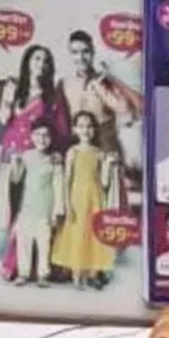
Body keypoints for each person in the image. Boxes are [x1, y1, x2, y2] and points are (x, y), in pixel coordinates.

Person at [0, 44, 71, 283]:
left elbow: (60, 129)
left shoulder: (52, 95)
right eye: (36, 58)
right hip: (12, 156)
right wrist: (7, 96)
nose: (41, 64)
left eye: (45, 60)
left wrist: (56, 154)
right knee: (12, 210)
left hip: (36, 159)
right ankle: (23, 264)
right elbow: (4, 119)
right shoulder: (16, 88)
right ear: (27, 61)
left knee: (29, 211)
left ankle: (14, 265)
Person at [50, 111, 120, 290]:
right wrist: (67, 205)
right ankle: (76, 274)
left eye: (89, 126)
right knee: (77, 234)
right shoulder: (72, 152)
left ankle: (92, 273)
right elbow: (66, 181)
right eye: (81, 126)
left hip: (95, 199)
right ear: (75, 129)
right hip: (77, 199)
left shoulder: (98, 153)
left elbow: (104, 182)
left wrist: (109, 164)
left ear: (94, 129)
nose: (85, 130)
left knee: (92, 235)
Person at [58, 30, 143, 164]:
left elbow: (125, 109)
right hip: (78, 148)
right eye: (75, 53)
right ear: (70, 55)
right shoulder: (64, 83)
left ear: (93, 52)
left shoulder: (106, 80)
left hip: (106, 146)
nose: (80, 57)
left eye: (85, 51)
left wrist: (101, 88)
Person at [7, 119, 66, 287]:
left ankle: (43, 274)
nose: (42, 138)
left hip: (45, 211)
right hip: (26, 209)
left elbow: (58, 186)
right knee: (23, 243)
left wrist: (57, 211)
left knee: (44, 245)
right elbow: (16, 178)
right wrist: (15, 162)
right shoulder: (26, 156)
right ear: (32, 136)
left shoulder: (54, 160)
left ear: (52, 138)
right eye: (38, 134)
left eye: (46, 135)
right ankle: (23, 273)